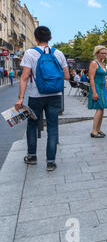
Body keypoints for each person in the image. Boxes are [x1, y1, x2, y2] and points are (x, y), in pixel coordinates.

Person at [15, 26, 69, 171]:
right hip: (55, 96)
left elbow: (25, 77)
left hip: (36, 96)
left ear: (36, 38)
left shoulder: (30, 53)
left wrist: (20, 98)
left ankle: (32, 156)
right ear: (50, 38)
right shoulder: (59, 53)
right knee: (52, 127)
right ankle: (50, 162)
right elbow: (67, 76)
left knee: (32, 125)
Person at [88, 46, 107, 138]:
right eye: (102, 53)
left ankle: (98, 129)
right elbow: (91, 78)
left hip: (103, 88)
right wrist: (94, 92)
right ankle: (93, 131)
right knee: (99, 109)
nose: (104, 55)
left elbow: (104, 78)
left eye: (105, 53)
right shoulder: (94, 63)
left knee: (102, 109)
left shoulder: (102, 63)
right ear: (97, 53)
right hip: (96, 87)